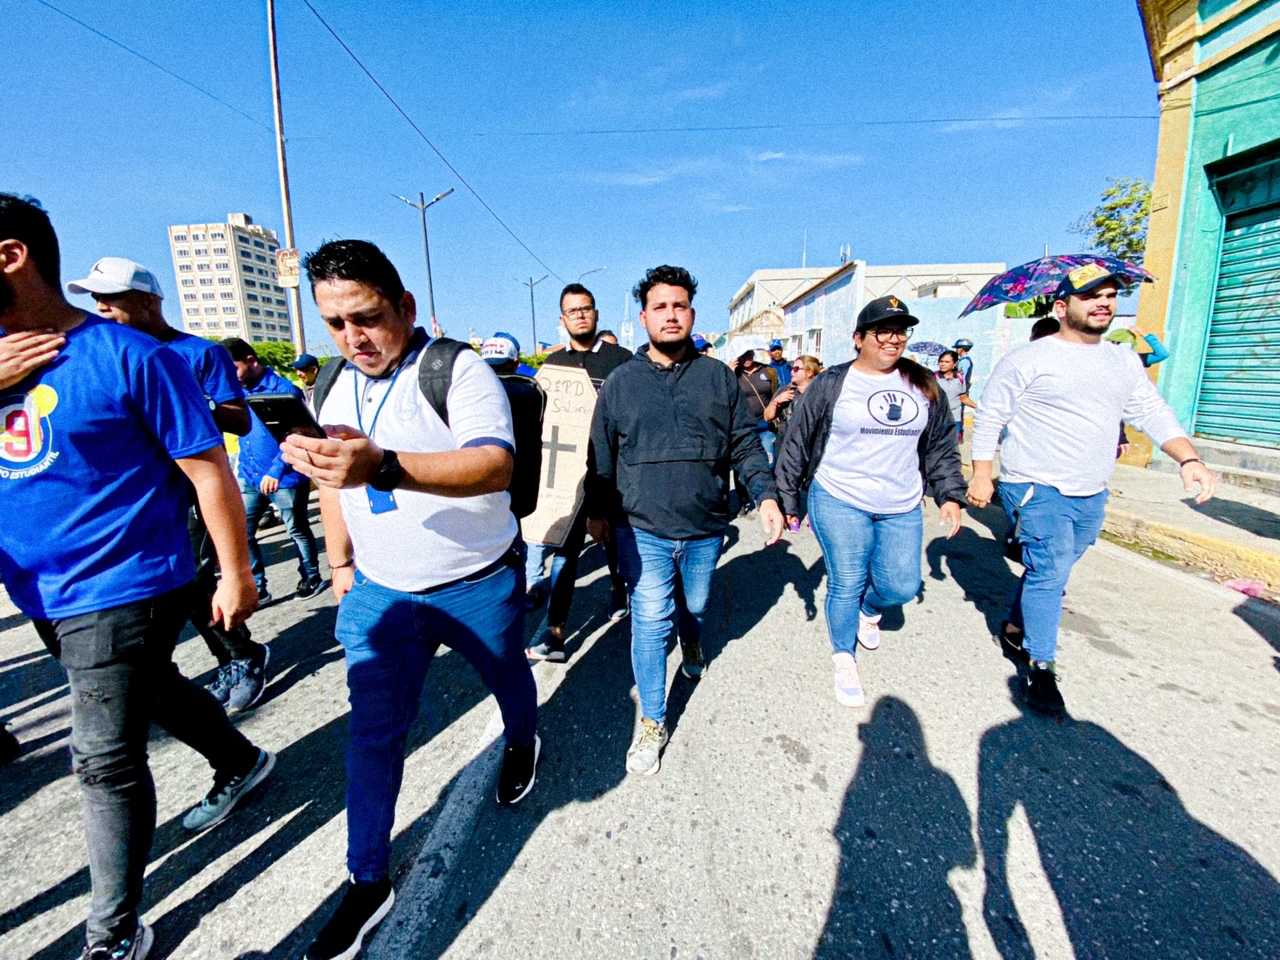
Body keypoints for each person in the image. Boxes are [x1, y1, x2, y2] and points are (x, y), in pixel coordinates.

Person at [0, 194, 273, 959]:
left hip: (122, 580)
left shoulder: (133, 358)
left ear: (11, 256)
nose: (111, 307)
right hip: (42, 591)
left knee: (103, 757)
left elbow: (209, 466)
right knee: (155, 691)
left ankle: (112, 936)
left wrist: (235, 571)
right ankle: (242, 759)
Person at [278, 240, 539, 960]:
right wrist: (339, 564)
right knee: (371, 737)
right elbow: (335, 482)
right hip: (381, 595)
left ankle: (523, 740)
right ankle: (367, 882)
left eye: (366, 317)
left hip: (476, 583)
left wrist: (385, 465)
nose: (352, 338)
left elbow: (494, 464)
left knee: (508, 679)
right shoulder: (330, 383)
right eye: (334, 323)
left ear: (406, 307)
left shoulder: (457, 369)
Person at [967, 265, 1216, 714]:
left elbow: (1151, 412)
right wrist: (983, 474)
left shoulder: (1121, 360)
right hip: (1036, 486)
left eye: (1109, 295)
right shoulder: (1028, 359)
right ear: (1062, 307)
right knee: (1050, 570)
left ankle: (1015, 625)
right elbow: (990, 418)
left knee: (1055, 568)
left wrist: (1189, 459)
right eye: (1090, 296)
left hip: (1092, 489)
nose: (1103, 302)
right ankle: (1041, 668)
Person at [588, 265, 783, 775]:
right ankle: (652, 720)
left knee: (693, 605)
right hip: (641, 527)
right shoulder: (621, 383)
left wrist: (764, 494)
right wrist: (598, 512)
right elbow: (601, 455)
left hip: (704, 527)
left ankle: (692, 637)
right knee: (651, 622)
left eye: (679, 306)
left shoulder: (718, 377)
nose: (670, 315)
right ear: (643, 317)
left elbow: (744, 442)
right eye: (660, 307)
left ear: (692, 314)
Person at [67, 257, 272, 711]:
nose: (100, 308)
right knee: (173, 588)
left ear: (147, 301)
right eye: (95, 299)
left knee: (197, 579)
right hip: (138, 493)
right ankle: (225, 658)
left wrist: (184, 403)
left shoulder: (199, 353)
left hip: (194, 487)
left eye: (110, 298)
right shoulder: (106, 353)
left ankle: (244, 655)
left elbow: (238, 420)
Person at [775, 296, 967, 708]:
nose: (893, 339)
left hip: (901, 502)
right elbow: (797, 439)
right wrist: (788, 497)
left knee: (901, 585)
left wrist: (950, 494)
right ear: (858, 338)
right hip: (839, 495)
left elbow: (939, 447)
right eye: (883, 330)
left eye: (900, 331)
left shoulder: (925, 384)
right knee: (846, 577)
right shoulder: (831, 383)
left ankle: (870, 608)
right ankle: (844, 656)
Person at [525, 283, 632, 661]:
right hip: (566, 473)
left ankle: (619, 588)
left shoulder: (621, 359)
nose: (580, 315)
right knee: (566, 551)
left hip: (612, 472)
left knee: (613, 541)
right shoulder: (552, 366)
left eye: (586, 308)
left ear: (596, 313)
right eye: (573, 311)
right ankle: (554, 632)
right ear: (562, 319)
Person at [221, 338, 327, 604]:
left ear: (251, 361)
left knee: (297, 530)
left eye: (233, 368)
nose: (230, 377)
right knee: (243, 532)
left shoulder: (283, 390)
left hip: (286, 478)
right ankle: (259, 587)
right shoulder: (237, 392)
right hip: (249, 477)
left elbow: (297, 434)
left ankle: (311, 577)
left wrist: (276, 471)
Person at [763, 354, 820, 454]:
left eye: (796, 369)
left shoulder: (820, 392)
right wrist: (776, 401)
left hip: (810, 445)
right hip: (785, 445)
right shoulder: (785, 390)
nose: (792, 372)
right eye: (792, 368)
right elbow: (767, 416)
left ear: (809, 372)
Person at [934, 350, 978, 441]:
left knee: (952, 446)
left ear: (954, 363)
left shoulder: (960, 378)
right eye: (941, 361)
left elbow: (964, 398)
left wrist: (978, 407)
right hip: (937, 418)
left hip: (955, 418)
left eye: (947, 362)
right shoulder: (934, 378)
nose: (942, 364)